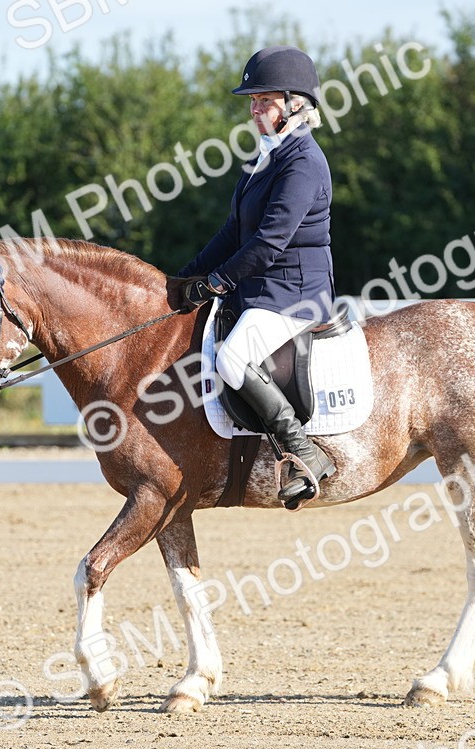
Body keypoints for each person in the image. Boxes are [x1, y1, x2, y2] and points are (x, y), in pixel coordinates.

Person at [177, 45, 336, 507]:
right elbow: (233, 232)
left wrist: (216, 283)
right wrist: (185, 279)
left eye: (263, 100)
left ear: (296, 105)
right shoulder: (266, 156)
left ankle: (303, 452)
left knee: (231, 358)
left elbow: (268, 243)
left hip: (296, 294)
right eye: (251, 101)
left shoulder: (303, 162)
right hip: (263, 288)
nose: (253, 109)